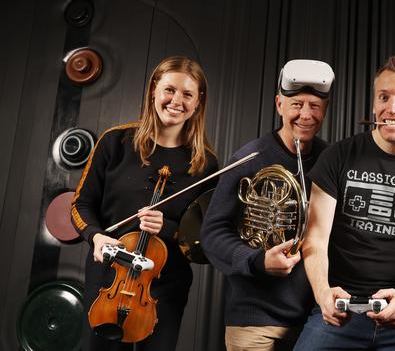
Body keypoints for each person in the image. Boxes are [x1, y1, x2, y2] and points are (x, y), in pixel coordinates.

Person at [294, 55, 395, 350]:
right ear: (373, 105)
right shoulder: (337, 157)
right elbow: (315, 238)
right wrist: (322, 293)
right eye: (383, 97)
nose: (391, 108)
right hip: (338, 306)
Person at [71, 56, 219, 351]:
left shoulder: (206, 165)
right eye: (169, 90)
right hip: (109, 278)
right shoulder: (115, 142)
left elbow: (206, 238)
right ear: (154, 90)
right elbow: (80, 204)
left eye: (188, 94)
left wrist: (170, 228)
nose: (177, 100)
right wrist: (96, 237)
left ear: (198, 101)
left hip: (164, 284)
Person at [200, 59, 334, 351]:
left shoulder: (330, 161)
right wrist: (258, 260)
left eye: (315, 106)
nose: (306, 115)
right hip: (253, 320)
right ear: (279, 104)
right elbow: (212, 234)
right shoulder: (249, 158)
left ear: (325, 109)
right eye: (297, 104)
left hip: (314, 320)